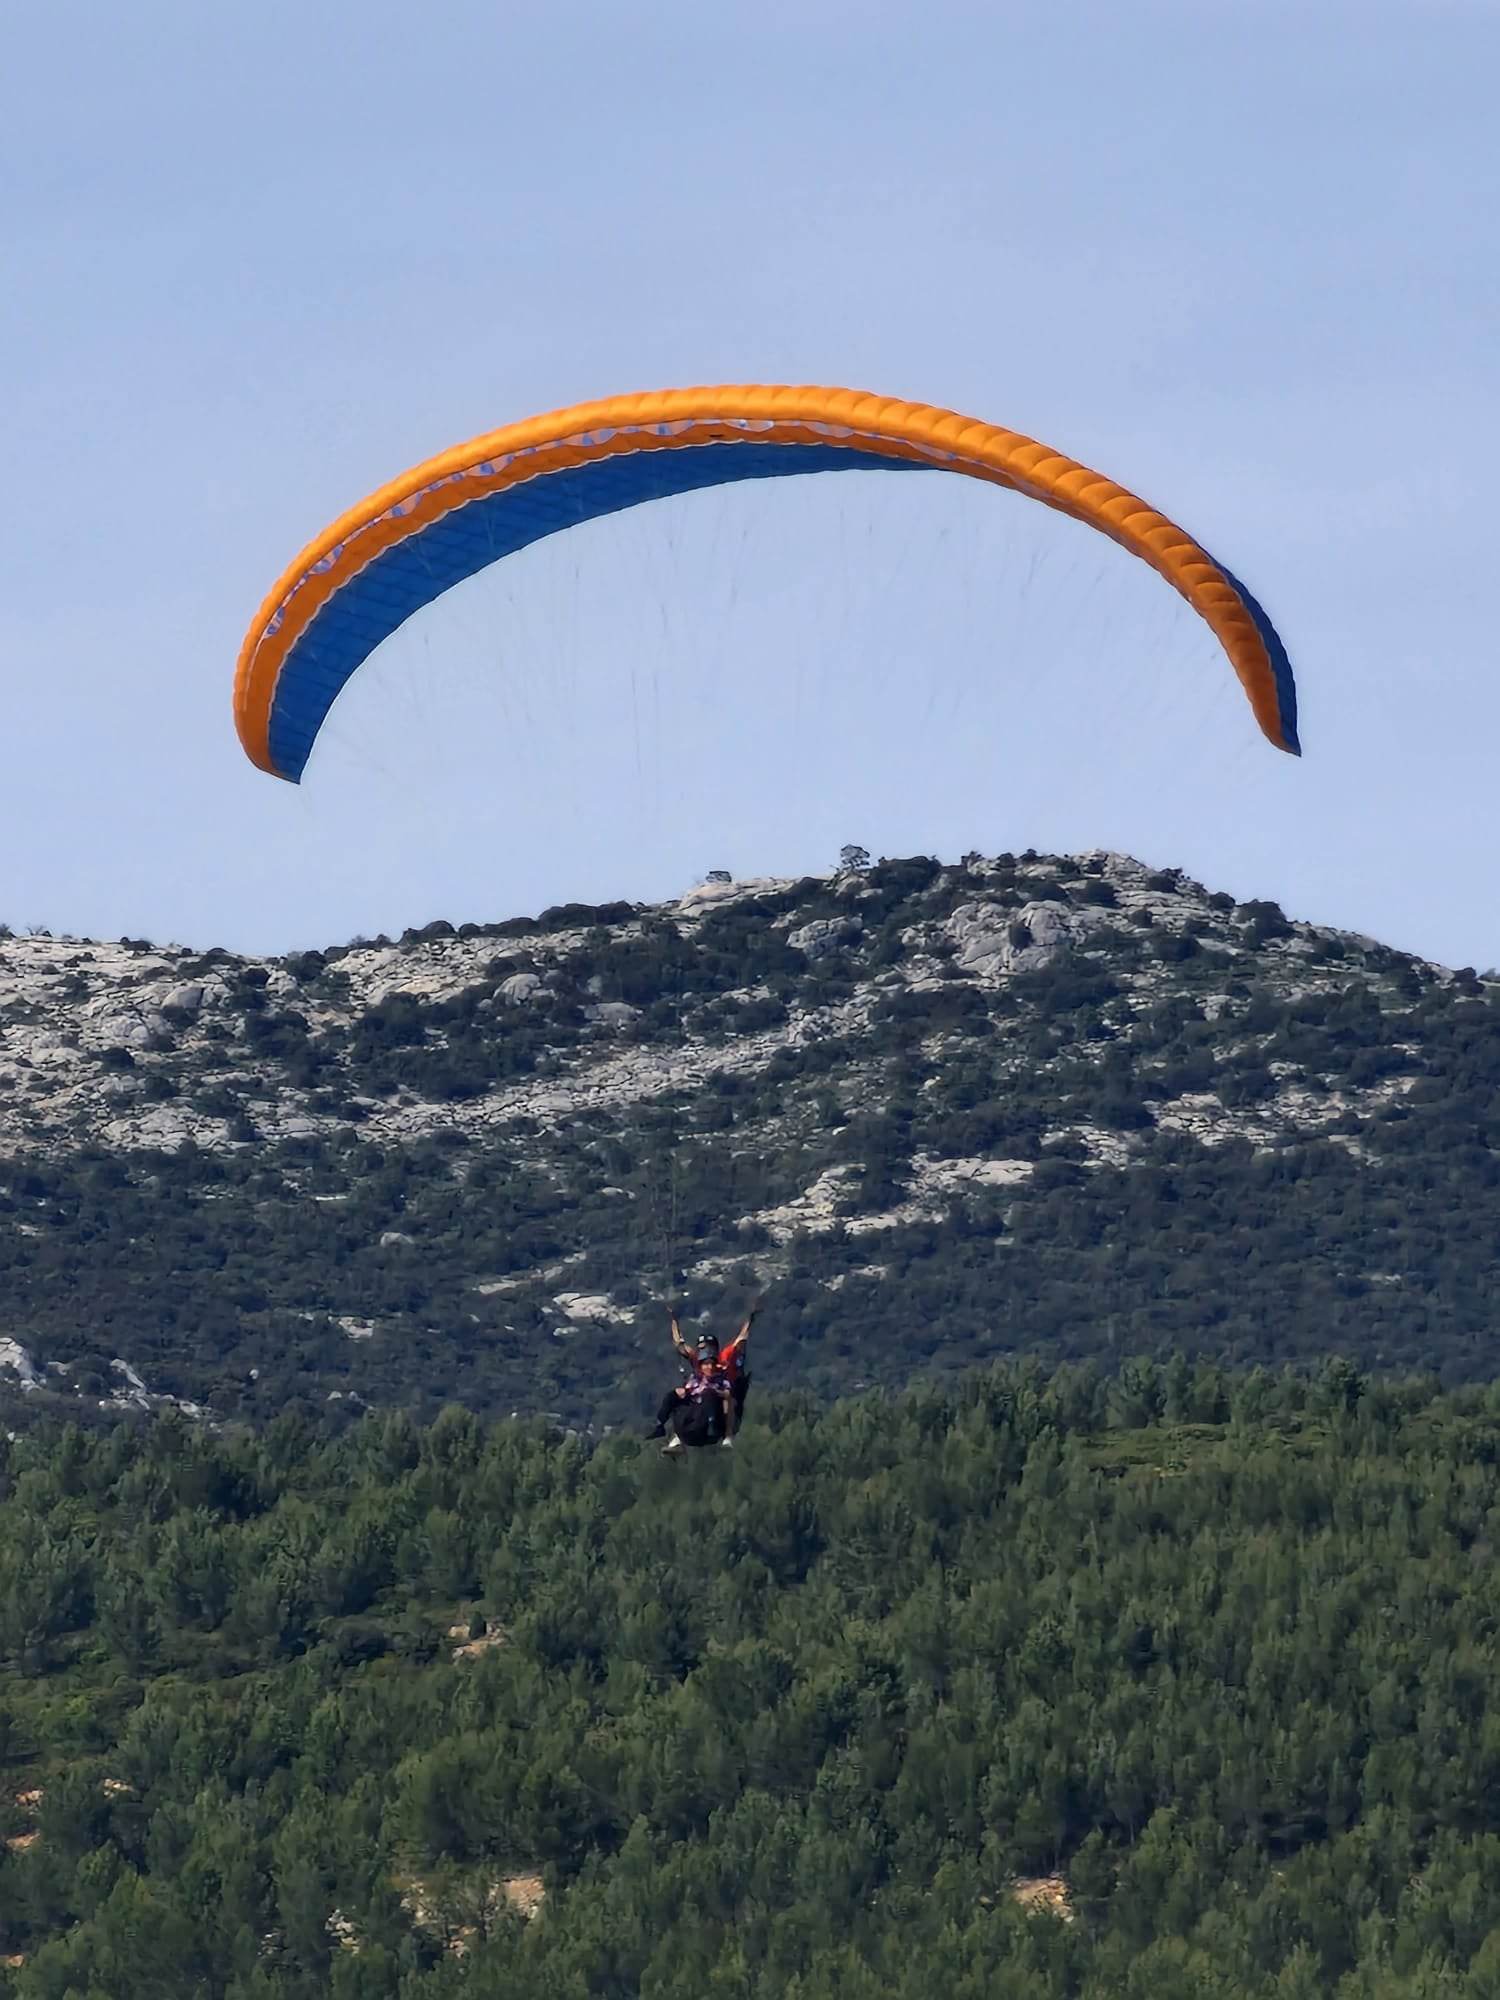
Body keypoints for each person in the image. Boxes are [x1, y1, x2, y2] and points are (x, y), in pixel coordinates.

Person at [646, 1302, 760, 1450]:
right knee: (676, 1395)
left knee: (713, 1395)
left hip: (718, 1402)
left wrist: (751, 1318)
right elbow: (679, 1343)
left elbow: (741, 1339)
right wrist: (674, 1319)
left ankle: (725, 1433)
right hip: (697, 1402)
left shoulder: (724, 1362)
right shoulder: (697, 1363)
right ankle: (662, 1426)